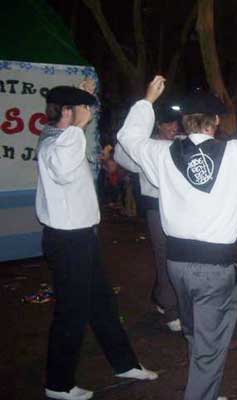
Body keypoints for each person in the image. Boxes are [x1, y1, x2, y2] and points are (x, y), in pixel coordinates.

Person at [117, 59, 237, 400]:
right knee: (210, 347)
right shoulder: (236, 155)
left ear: (184, 122)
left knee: (197, 334)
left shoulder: (163, 153)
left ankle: (205, 389)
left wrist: (146, 101)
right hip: (214, 268)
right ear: (214, 122)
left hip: (177, 264)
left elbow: (128, 137)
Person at [37, 86, 157, 400]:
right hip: (68, 240)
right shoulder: (56, 142)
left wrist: (81, 100)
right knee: (71, 313)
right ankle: (58, 383)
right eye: (82, 110)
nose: (89, 117)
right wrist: (75, 124)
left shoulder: (62, 137)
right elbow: (63, 169)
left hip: (80, 238)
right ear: (67, 112)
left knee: (102, 305)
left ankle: (124, 363)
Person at [114, 104, 182, 332]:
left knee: (177, 257)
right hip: (156, 208)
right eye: (169, 123)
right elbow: (121, 155)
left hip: (180, 208)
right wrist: (138, 129)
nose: (174, 127)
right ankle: (171, 310)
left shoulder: (181, 144)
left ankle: (161, 298)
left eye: (175, 123)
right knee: (164, 257)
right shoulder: (146, 147)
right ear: (158, 125)